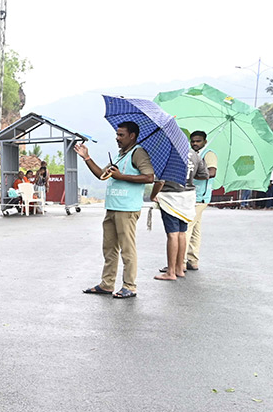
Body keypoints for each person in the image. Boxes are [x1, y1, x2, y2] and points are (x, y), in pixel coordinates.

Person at [75, 121, 155, 299]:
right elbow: (101, 175)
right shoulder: (121, 155)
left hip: (127, 209)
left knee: (127, 249)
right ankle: (107, 283)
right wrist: (86, 157)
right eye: (117, 135)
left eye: (121, 135)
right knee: (109, 248)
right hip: (112, 207)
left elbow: (149, 177)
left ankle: (129, 286)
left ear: (132, 136)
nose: (117, 138)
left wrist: (122, 176)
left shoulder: (138, 152)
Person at [151, 148, 203, 281]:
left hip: (171, 197)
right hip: (188, 196)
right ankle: (180, 268)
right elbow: (204, 174)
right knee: (181, 233)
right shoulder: (194, 154)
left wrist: (153, 195)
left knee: (172, 234)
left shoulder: (168, 154)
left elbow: (160, 181)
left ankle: (171, 272)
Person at [186, 131, 218, 270]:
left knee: (186, 228)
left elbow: (211, 173)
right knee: (195, 230)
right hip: (192, 195)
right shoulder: (193, 155)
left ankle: (179, 263)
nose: (195, 144)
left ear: (205, 141)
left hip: (200, 197)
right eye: (193, 141)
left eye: (198, 141)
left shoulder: (209, 154)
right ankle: (193, 260)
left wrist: (192, 175)